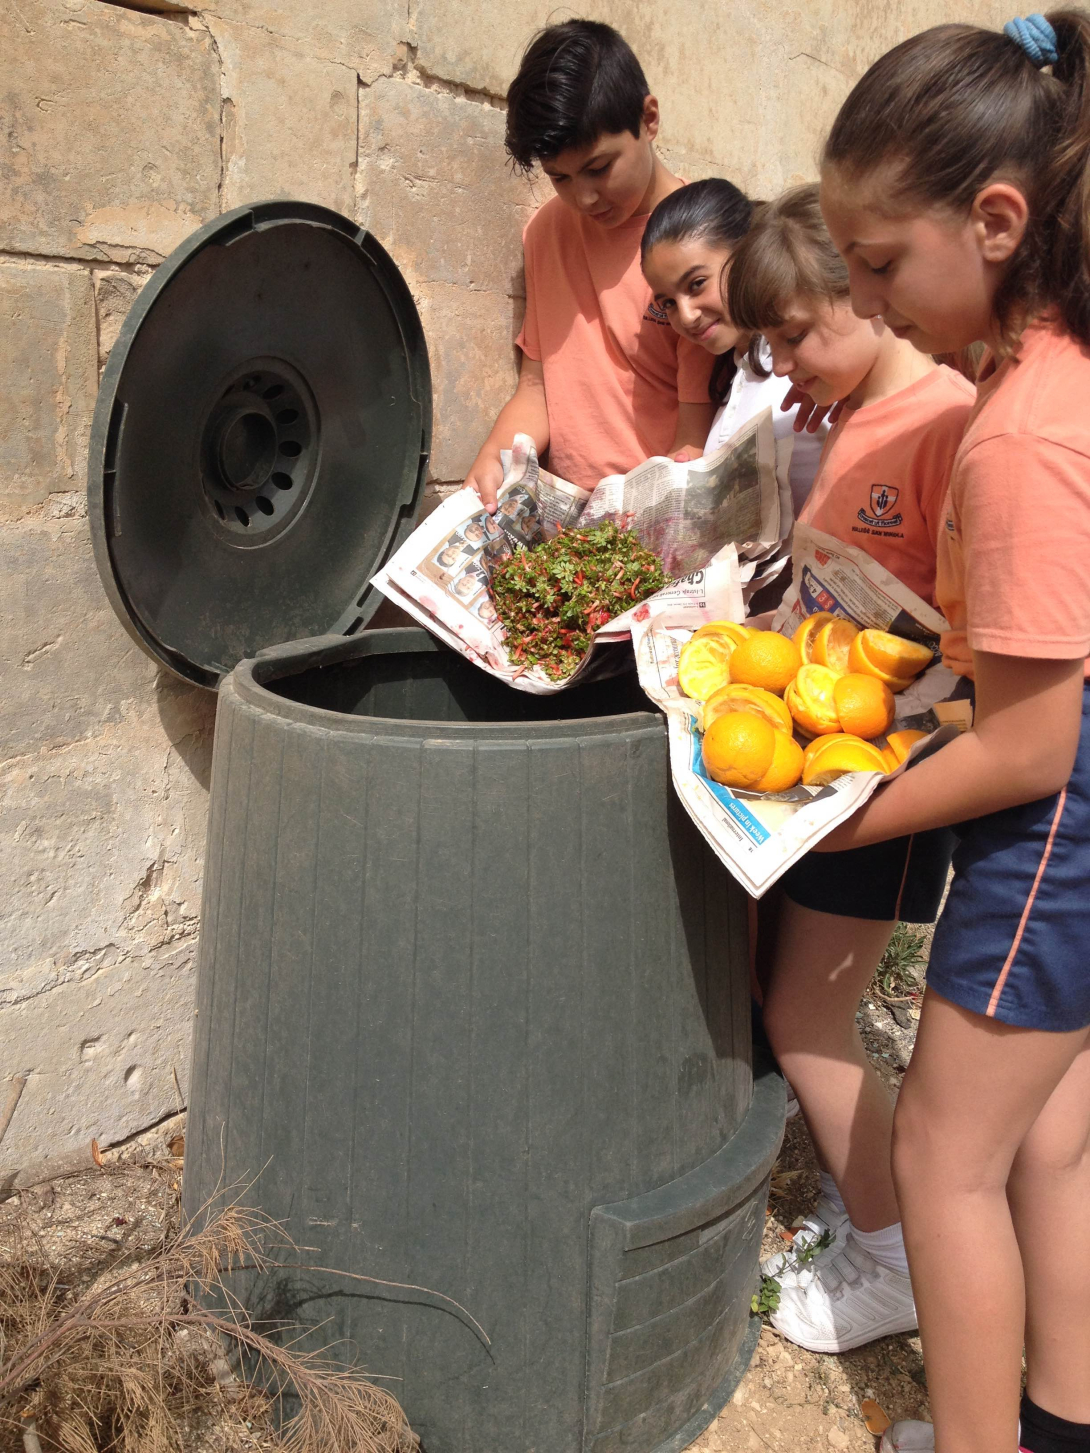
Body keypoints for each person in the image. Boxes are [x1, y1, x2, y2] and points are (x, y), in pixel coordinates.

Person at [812, 12, 1090, 1452]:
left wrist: (823, 815)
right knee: (1047, 1133)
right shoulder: (1045, 380)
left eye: (876, 263)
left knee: (941, 1154)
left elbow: (1032, 748)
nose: (864, 297)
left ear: (994, 219)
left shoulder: (1022, 427)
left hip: (1053, 838)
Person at [721, 185, 975, 1353]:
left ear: (865, 295)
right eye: (766, 343)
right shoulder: (853, 418)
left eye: (797, 334)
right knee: (804, 1001)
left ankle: (890, 1261)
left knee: (806, 1017)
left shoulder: (946, 421)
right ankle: (864, 1201)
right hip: (825, 759)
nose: (781, 366)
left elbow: (969, 650)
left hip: (888, 783)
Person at [463, 20, 714, 508]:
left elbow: (694, 433)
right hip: (567, 518)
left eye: (599, 168)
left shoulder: (696, 249)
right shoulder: (545, 232)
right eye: (560, 178)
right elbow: (537, 388)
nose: (585, 197)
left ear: (649, 119)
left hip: (656, 509)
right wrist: (493, 459)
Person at [639, 177, 826, 517]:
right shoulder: (733, 373)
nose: (687, 315)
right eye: (667, 302)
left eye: (697, 285)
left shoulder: (811, 363)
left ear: (747, 252)